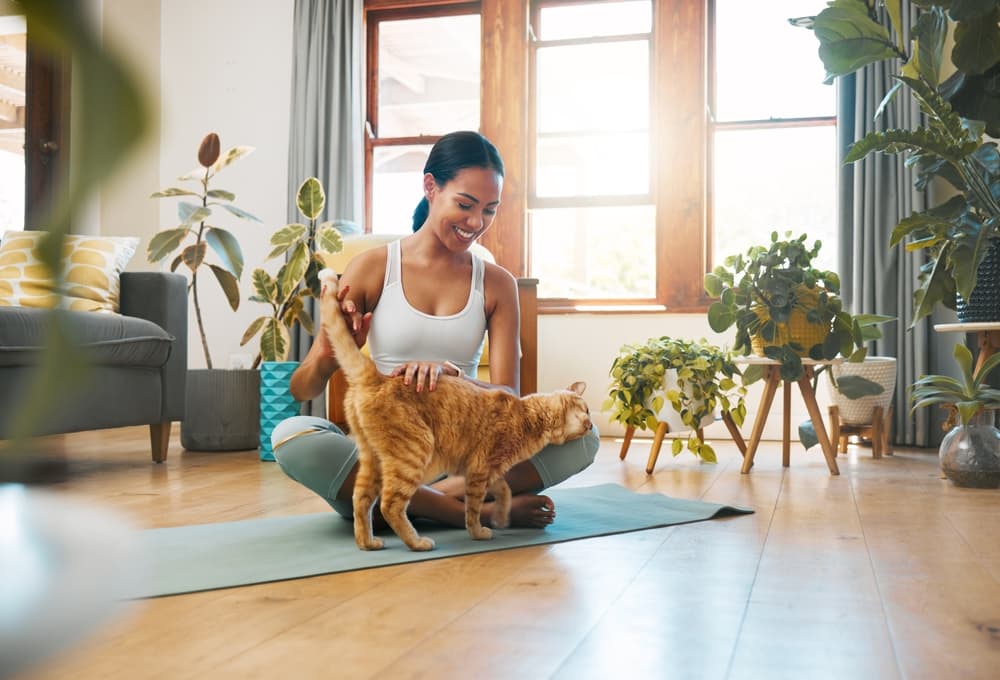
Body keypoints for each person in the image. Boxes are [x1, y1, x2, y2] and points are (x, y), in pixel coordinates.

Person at [271, 130, 599, 530]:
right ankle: (468, 511)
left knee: (584, 438)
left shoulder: (497, 283)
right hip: (393, 448)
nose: (476, 222)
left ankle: (401, 503)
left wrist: (455, 377)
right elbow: (301, 389)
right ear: (431, 186)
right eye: (465, 204)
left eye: (490, 210)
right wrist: (326, 352)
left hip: (464, 457)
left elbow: (509, 396)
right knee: (292, 434)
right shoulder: (373, 268)